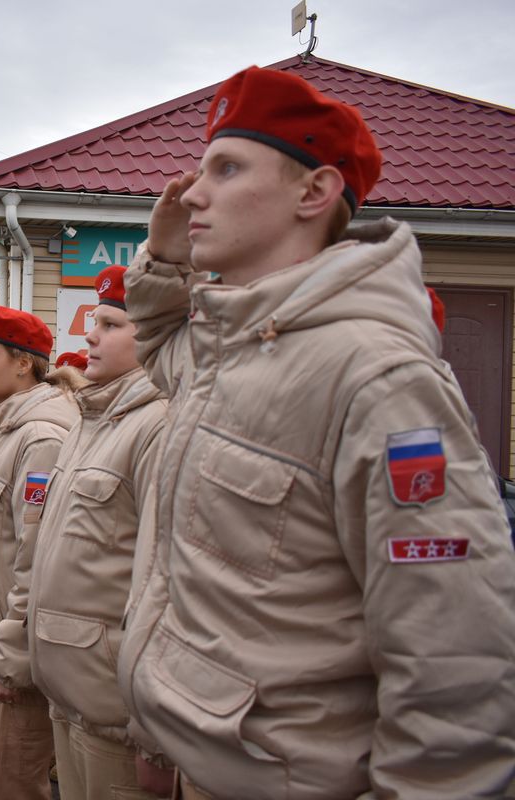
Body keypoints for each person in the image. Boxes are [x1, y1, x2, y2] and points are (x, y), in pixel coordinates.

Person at [118, 66, 515, 799]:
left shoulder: (378, 378)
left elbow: (453, 655)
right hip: (211, 762)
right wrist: (166, 257)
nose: (191, 193)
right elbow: (159, 343)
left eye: (226, 168)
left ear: (315, 192)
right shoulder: (233, 354)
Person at [27, 265, 168, 800]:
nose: (89, 333)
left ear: (154, 334)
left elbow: (160, 584)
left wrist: (155, 732)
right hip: (69, 683)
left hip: (116, 705)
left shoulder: (157, 423)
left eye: (111, 323)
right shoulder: (93, 419)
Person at [0, 305, 80, 800]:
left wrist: (14, 651)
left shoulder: (42, 436)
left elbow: (37, 554)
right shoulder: (3, 428)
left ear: (24, 363)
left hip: (13, 644)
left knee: (13, 782)